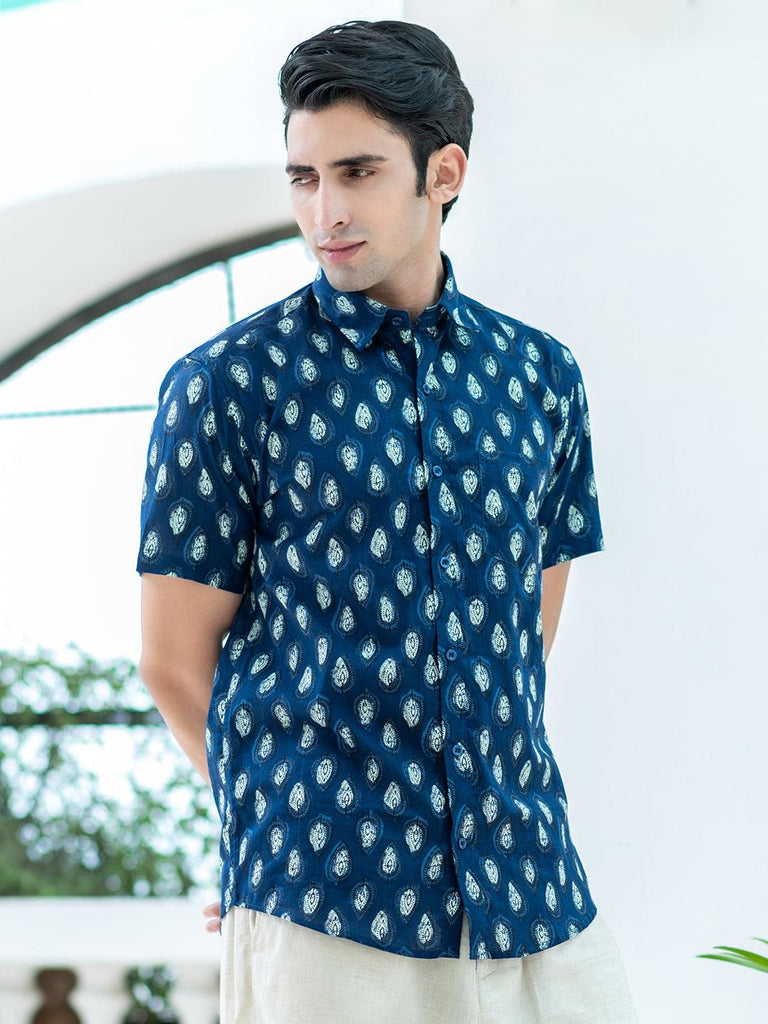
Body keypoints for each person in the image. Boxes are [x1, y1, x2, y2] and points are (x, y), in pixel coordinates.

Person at [136, 18, 640, 1024]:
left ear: (442, 173)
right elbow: (172, 661)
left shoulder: (539, 378)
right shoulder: (227, 385)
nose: (325, 211)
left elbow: (525, 630)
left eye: (358, 172)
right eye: (304, 178)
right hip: (325, 901)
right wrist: (261, 826)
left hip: (530, 882)